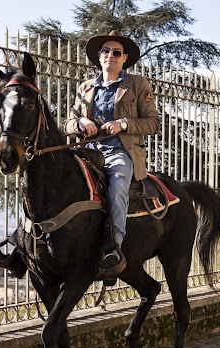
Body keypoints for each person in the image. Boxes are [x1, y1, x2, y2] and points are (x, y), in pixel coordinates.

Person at [64, 30, 160, 278]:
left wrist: (124, 124)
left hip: (120, 151)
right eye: (106, 51)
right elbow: (68, 123)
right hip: (86, 150)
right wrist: (81, 123)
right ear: (99, 56)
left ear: (124, 58)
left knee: (117, 186)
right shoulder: (86, 87)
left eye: (116, 52)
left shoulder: (138, 85)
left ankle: (113, 249)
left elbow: (153, 124)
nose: (110, 55)